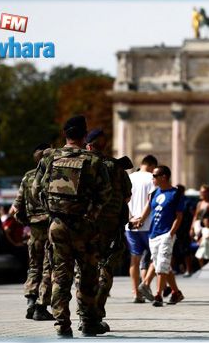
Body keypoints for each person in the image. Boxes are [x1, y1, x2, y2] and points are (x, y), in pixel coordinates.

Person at [32, 115, 112, 338]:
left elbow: (35, 190)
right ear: (85, 135)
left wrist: (52, 212)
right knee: (87, 275)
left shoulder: (49, 157)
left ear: (64, 135)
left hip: (57, 225)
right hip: (84, 225)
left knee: (60, 275)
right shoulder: (93, 160)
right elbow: (105, 193)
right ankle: (87, 323)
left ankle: (62, 325)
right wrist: (91, 214)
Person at [84, 128, 132, 331]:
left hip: (84, 224)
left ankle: (84, 314)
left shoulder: (82, 163)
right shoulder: (115, 167)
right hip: (110, 226)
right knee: (106, 268)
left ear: (89, 145)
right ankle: (95, 312)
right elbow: (127, 196)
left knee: (84, 269)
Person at [10, 143, 55, 321]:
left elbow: (17, 208)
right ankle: (40, 307)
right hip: (51, 226)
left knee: (34, 266)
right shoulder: (52, 175)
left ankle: (30, 300)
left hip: (34, 229)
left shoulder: (28, 177)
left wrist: (27, 223)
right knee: (48, 266)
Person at [134, 165, 185, 307]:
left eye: (155, 176)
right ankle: (176, 293)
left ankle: (158, 295)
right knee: (159, 264)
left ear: (164, 177)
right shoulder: (155, 192)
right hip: (153, 234)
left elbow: (179, 216)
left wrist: (171, 233)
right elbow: (148, 208)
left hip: (166, 234)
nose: (152, 179)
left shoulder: (176, 194)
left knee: (162, 263)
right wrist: (140, 221)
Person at [126, 155, 158, 303]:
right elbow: (151, 201)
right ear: (152, 166)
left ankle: (135, 293)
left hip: (130, 226)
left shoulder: (130, 177)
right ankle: (145, 285)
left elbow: (124, 200)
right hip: (148, 225)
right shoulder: (152, 178)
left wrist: (131, 218)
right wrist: (142, 219)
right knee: (154, 257)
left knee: (135, 260)